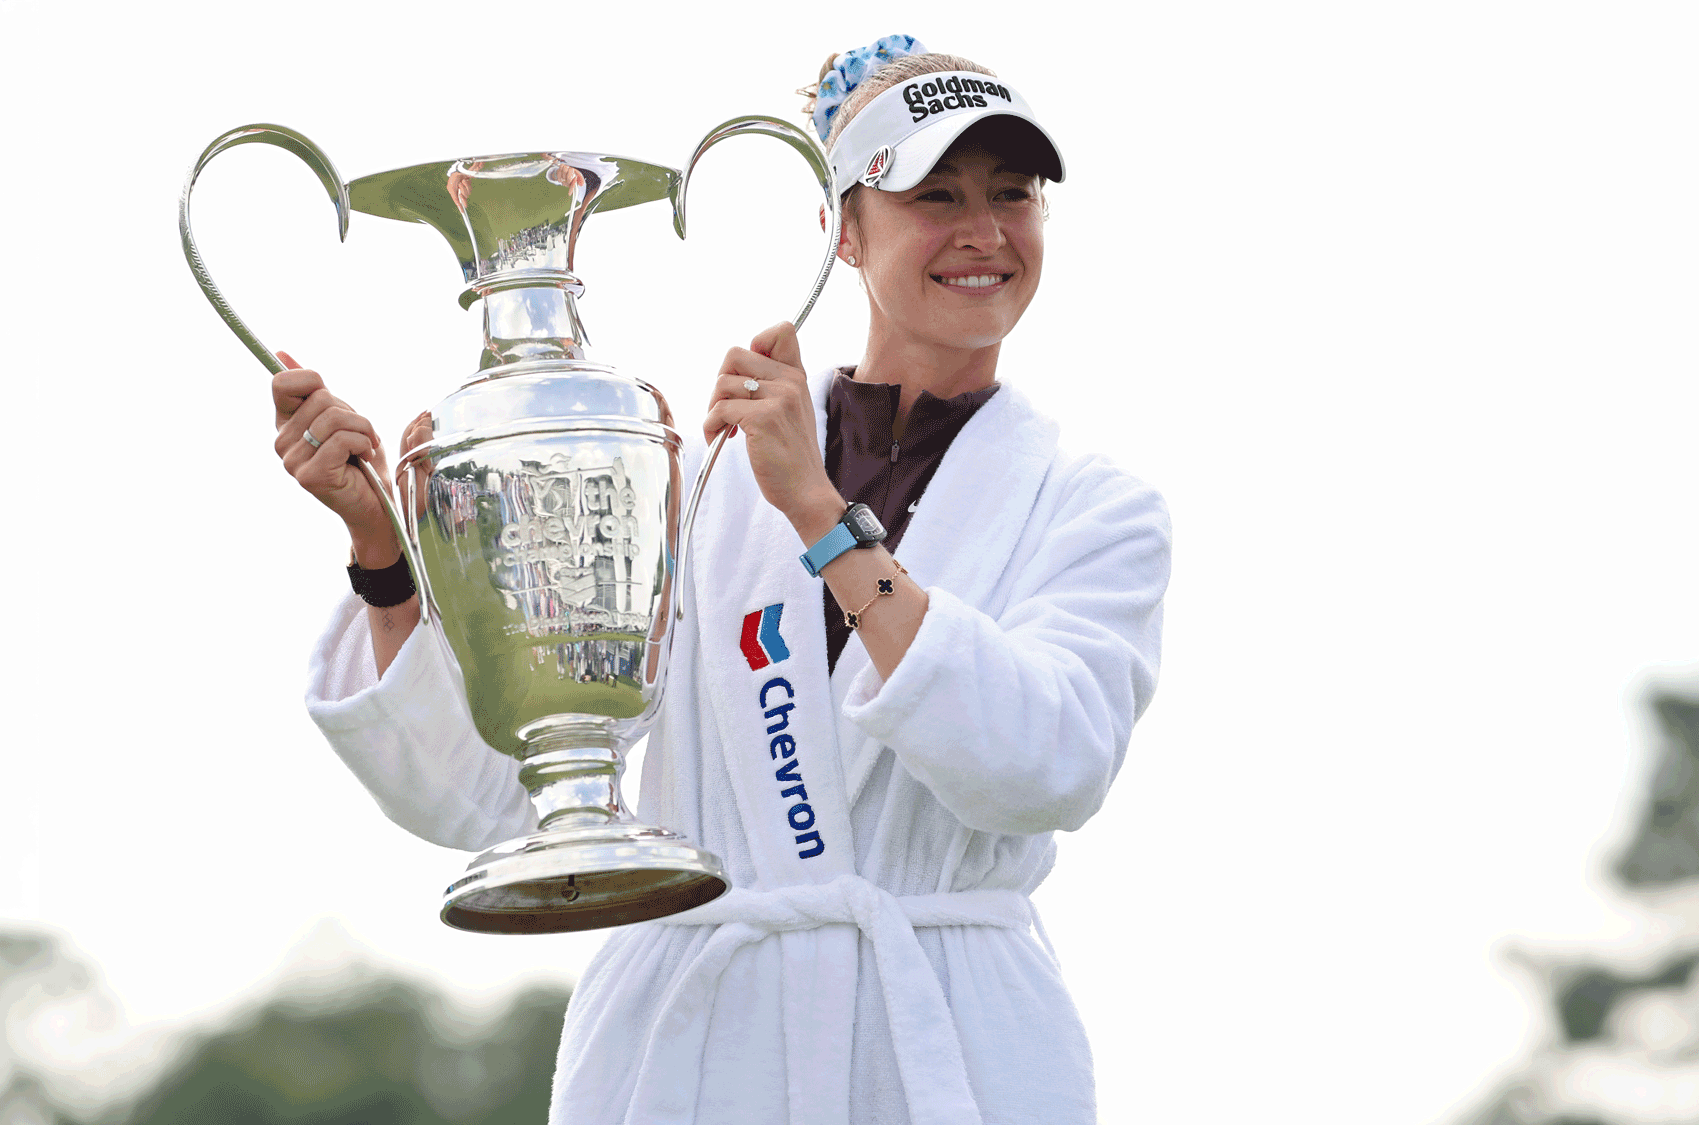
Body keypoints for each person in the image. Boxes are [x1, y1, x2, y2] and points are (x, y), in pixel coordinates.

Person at [270, 36, 1170, 1125]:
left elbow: (1047, 767)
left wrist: (824, 523)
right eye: (935, 194)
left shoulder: (1093, 508)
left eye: (1012, 194)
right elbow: (480, 794)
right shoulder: (693, 482)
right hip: (698, 1052)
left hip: (950, 1047)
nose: (982, 233)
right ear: (842, 228)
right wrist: (383, 555)